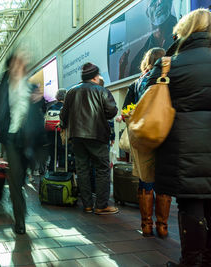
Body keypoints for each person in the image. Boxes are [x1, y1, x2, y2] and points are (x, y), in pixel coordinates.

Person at [144, 9, 211, 266]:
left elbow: (147, 100)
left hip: (184, 148)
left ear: (184, 30)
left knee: (191, 203)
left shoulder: (170, 64)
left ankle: (190, 261)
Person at [122, 47, 173, 238]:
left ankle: (146, 226)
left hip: (143, 135)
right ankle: (163, 226)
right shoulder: (170, 78)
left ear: (146, 61)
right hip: (166, 133)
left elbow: (126, 110)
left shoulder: (137, 83)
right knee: (164, 180)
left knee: (145, 179)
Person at [0, 50, 45, 234]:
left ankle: (18, 204)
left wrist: (39, 101)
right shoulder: (1, 88)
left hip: (29, 140)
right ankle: (19, 219)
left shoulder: (32, 87)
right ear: (11, 66)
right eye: (16, 63)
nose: (19, 67)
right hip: (12, 138)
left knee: (22, 178)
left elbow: (41, 111)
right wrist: (3, 134)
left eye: (22, 64)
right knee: (15, 179)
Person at [60, 62, 118, 215]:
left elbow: (63, 115)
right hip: (97, 135)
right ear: (94, 77)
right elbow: (112, 111)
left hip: (76, 136)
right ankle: (101, 205)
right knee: (102, 169)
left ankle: (87, 205)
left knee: (82, 169)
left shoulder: (71, 92)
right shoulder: (102, 90)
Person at [119, 0, 177, 78]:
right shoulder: (138, 61)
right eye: (154, 2)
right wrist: (121, 72)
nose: (160, 2)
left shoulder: (184, 36)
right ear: (147, 13)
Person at [46, 88, 67, 172]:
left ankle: (50, 178)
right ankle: (62, 179)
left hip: (51, 137)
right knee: (62, 158)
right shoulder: (66, 108)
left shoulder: (51, 107)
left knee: (52, 159)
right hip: (62, 137)